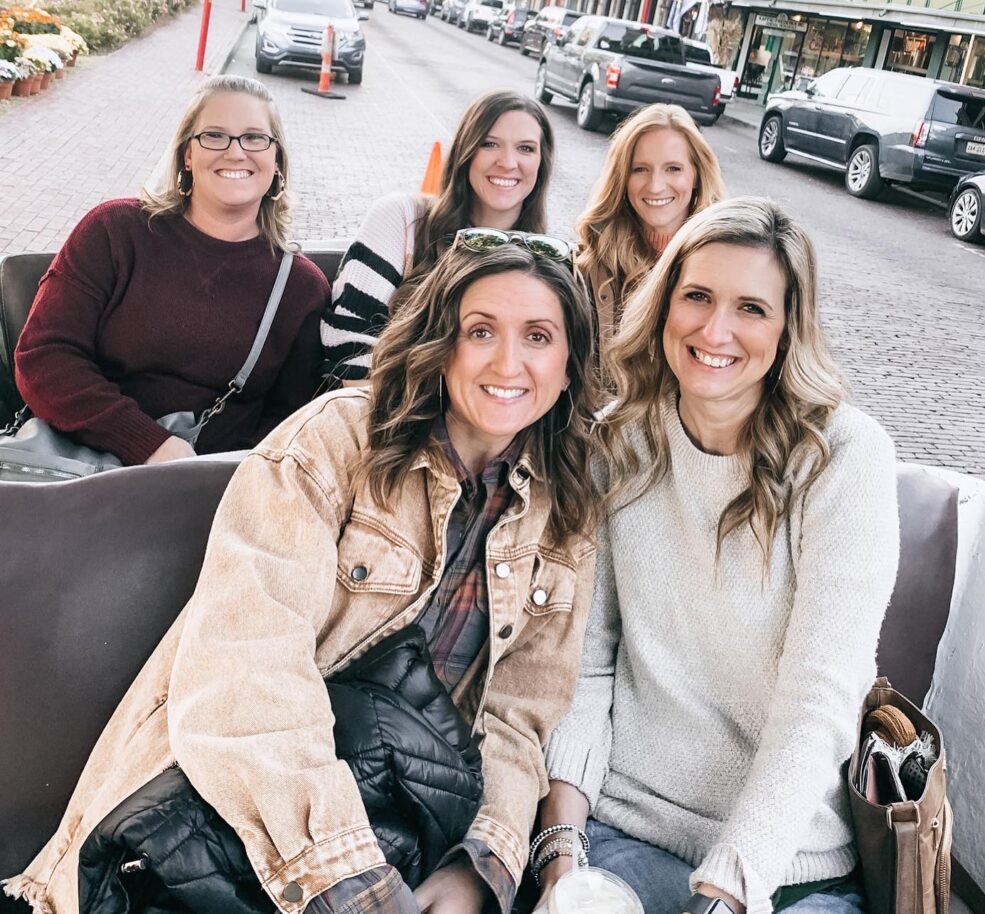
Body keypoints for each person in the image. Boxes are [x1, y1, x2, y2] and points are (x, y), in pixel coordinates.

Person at [5, 238, 602, 914]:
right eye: (481, 331)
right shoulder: (338, 440)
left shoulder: (565, 510)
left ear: (568, 364)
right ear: (441, 341)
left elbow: (519, 716)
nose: (507, 362)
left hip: (412, 828)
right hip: (244, 810)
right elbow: (247, 660)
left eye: (538, 336)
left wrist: (482, 864)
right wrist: (344, 875)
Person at [532, 198, 900, 914]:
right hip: (624, 831)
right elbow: (586, 665)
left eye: (752, 308)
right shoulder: (617, 444)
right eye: (696, 296)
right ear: (664, 303)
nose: (716, 329)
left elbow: (821, 699)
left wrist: (731, 886)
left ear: (789, 326)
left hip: (787, 864)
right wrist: (560, 852)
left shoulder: (843, 457)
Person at [13, 75, 329, 466]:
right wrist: (150, 444)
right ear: (187, 155)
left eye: (255, 138)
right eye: (214, 135)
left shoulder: (301, 289)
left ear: (276, 160)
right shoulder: (114, 232)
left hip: (208, 499)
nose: (236, 152)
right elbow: (43, 357)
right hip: (75, 475)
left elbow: (290, 426)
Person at [320, 89, 554, 384]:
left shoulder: (546, 260)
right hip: (379, 412)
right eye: (489, 144)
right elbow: (348, 350)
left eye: (526, 148)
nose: (508, 162)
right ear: (465, 153)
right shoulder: (402, 219)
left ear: (541, 164)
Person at [575, 103, 725, 345]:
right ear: (622, 178)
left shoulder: (727, 260)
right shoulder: (592, 260)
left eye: (673, 169)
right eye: (640, 169)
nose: (655, 186)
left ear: (697, 175)